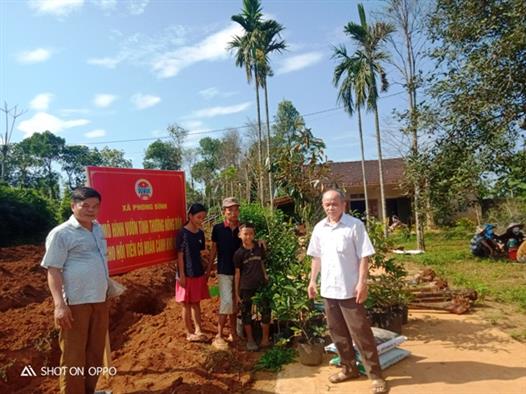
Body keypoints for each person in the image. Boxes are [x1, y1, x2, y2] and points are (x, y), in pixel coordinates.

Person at [307, 190, 388, 394]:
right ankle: (349, 368)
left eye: (334, 203)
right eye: (327, 204)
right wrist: (312, 281)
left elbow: (364, 257)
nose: (330, 207)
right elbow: (316, 258)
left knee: (361, 333)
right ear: (323, 205)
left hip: (350, 290)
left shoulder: (354, 226)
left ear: (344, 204)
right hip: (329, 290)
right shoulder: (319, 228)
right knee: (337, 333)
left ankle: (375, 374)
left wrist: (363, 283)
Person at [41, 187, 109, 394]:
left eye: (95, 206)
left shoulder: (97, 228)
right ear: (73, 206)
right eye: (85, 205)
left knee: (95, 352)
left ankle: (89, 390)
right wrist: (59, 306)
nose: (91, 210)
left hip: (100, 299)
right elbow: (53, 270)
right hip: (75, 303)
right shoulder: (61, 233)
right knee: (74, 355)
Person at [175, 203, 211, 342]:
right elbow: (179, 256)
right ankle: (189, 332)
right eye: (198, 217)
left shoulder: (200, 233)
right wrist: (182, 275)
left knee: (196, 303)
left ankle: (198, 329)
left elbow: (201, 253)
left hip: (198, 273)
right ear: (190, 216)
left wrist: (206, 269)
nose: (200, 220)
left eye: (203, 217)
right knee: (186, 303)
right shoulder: (182, 234)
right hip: (185, 274)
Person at [234, 223, 271, 351]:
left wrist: (265, 276)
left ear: (254, 235)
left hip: (261, 285)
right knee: (246, 313)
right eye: (245, 234)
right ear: (240, 235)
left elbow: (262, 263)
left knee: (266, 311)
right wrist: (237, 293)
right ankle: (250, 340)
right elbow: (237, 273)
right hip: (246, 287)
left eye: (251, 233)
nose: (248, 236)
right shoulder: (239, 254)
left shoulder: (259, 247)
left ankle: (265, 339)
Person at [210, 197, 242, 344]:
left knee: (234, 303)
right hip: (223, 270)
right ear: (224, 212)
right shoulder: (217, 229)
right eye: (230, 210)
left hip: (239, 271)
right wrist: (209, 268)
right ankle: (219, 334)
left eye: (236, 210)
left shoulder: (242, 228)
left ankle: (233, 333)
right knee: (226, 302)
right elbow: (214, 250)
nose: (234, 213)